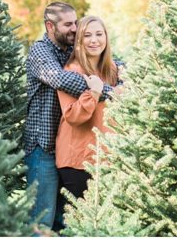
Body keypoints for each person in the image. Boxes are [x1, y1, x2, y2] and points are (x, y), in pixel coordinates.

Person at [23, 2, 119, 233]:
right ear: (50, 26)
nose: (74, 28)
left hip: (68, 145)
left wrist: (120, 77)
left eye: (76, 22)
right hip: (43, 146)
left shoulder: (69, 48)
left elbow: (102, 57)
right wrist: (104, 91)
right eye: (68, 24)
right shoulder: (41, 52)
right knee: (41, 219)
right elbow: (61, 80)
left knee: (63, 221)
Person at [55, 16, 120, 215]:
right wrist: (94, 93)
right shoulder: (72, 70)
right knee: (81, 222)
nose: (94, 40)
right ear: (79, 41)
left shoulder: (112, 70)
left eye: (99, 34)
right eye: (87, 35)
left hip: (107, 159)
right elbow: (73, 116)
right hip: (78, 160)